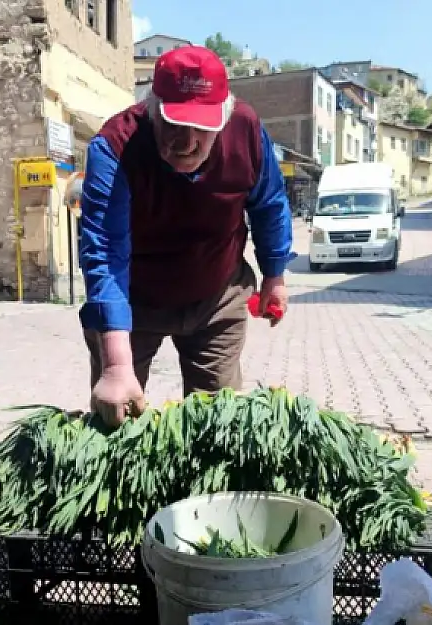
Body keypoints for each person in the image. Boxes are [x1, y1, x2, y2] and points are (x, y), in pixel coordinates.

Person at [77, 46, 294, 426]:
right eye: (172, 124)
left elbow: (269, 205)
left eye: (202, 127)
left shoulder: (247, 132)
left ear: (224, 118)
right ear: (150, 109)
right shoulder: (114, 148)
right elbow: (105, 252)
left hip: (216, 297)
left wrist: (274, 275)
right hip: (134, 303)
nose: (186, 142)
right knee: (116, 417)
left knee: (215, 424)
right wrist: (115, 364)